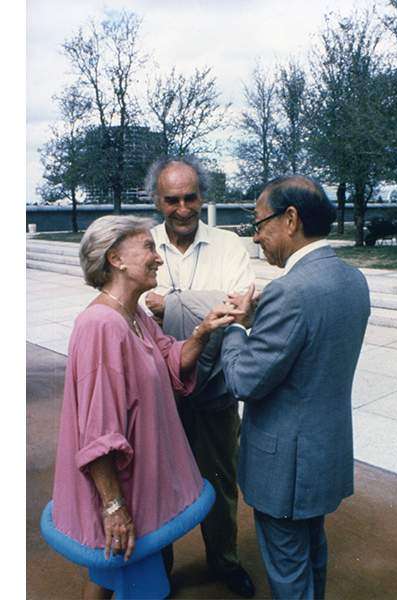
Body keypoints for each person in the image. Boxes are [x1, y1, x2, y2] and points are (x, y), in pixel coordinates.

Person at [51, 215, 238, 600]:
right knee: (122, 577)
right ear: (116, 259)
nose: (158, 258)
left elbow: (171, 360)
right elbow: (98, 431)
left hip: (134, 483)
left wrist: (203, 330)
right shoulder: (102, 326)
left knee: (108, 575)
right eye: (149, 248)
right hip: (122, 489)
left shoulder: (132, 314)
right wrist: (114, 506)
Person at [220, 176, 371, 599]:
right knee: (312, 554)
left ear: (290, 219)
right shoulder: (352, 279)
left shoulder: (288, 291)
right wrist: (257, 324)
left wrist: (235, 327)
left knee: (289, 573)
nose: (257, 236)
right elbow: (308, 352)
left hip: (284, 466)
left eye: (259, 222)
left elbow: (244, 380)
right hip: (325, 452)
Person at [141, 156, 256, 598]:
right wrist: (205, 305)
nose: (183, 208)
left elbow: (241, 309)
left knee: (221, 482)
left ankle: (224, 562)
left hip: (215, 392)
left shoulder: (228, 244)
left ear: (202, 196)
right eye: (172, 200)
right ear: (157, 200)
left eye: (191, 197)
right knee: (156, 484)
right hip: (158, 393)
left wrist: (169, 304)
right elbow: (131, 307)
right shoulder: (141, 243)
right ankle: (161, 569)